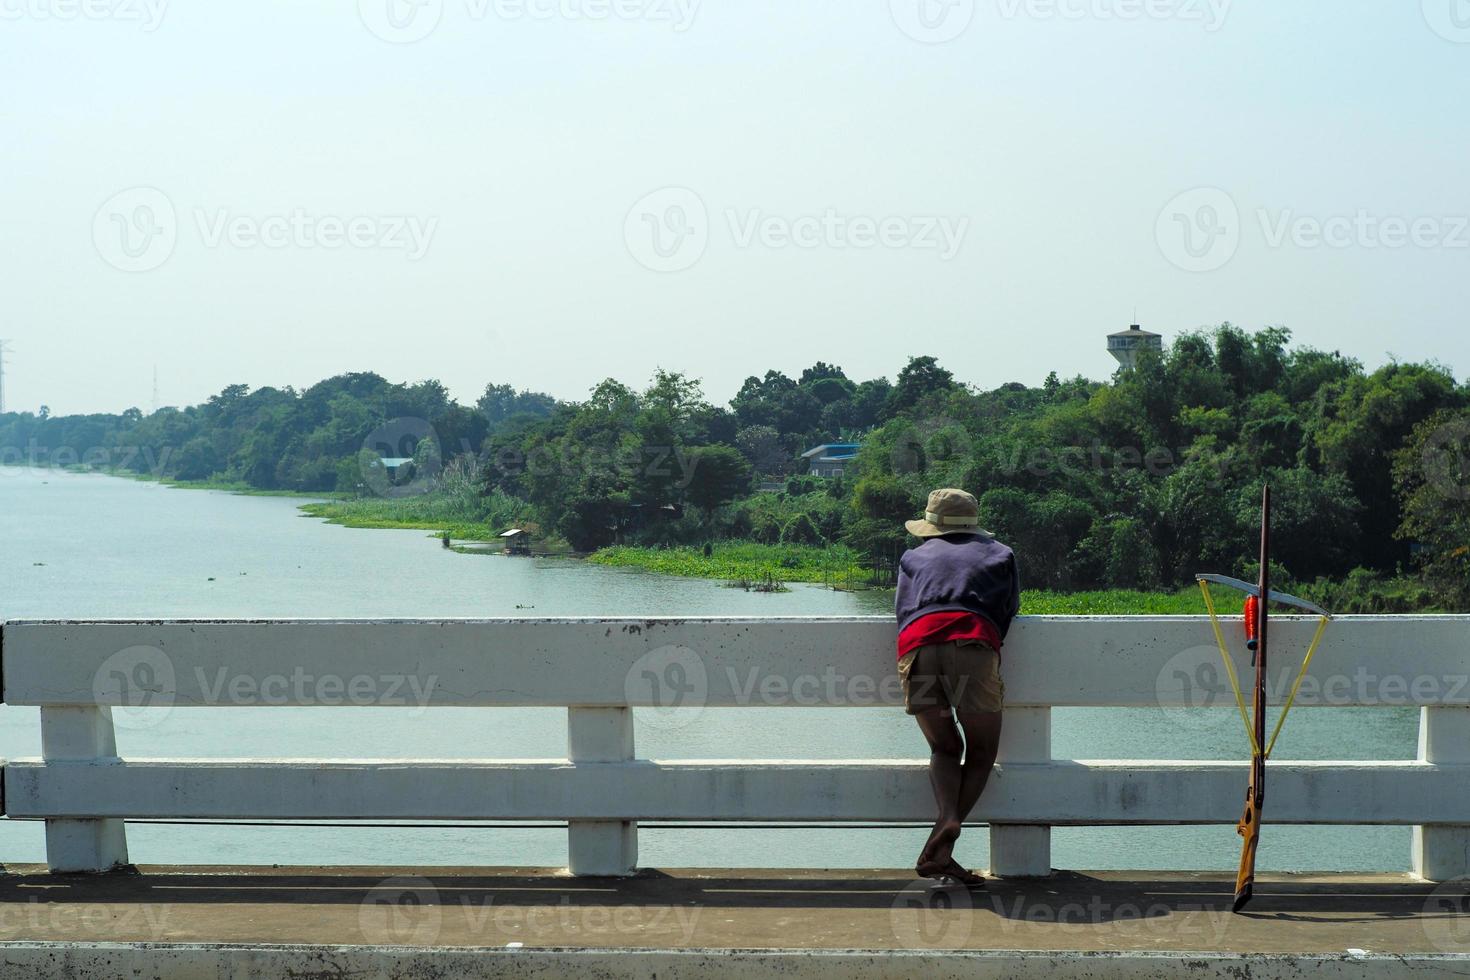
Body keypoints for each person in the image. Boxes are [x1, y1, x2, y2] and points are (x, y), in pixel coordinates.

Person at [895, 488, 1020, 886]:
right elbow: (1008, 609)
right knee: (982, 751)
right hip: (973, 642)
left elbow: (902, 610)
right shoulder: (1001, 554)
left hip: (918, 647)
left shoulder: (912, 557)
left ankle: (944, 830)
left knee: (945, 747)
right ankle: (946, 829)